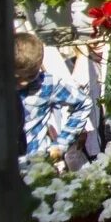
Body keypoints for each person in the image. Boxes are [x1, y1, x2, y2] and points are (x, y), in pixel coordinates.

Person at [14, 33, 93, 164]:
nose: (23, 83)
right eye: (17, 77)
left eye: (30, 77)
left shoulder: (45, 84)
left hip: (35, 166)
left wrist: (61, 144)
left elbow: (83, 102)